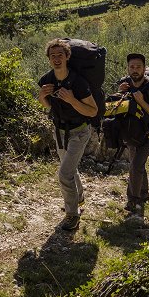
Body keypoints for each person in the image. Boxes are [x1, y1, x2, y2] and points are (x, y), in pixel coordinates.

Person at [38, 38, 98, 231]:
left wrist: (72, 100)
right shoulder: (47, 80)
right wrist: (41, 98)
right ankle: (78, 199)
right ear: (49, 59)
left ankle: (72, 215)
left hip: (79, 132)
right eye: (53, 56)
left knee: (64, 174)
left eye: (60, 55)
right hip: (59, 131)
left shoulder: (78, 82)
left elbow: (92, 111)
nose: (56, 59)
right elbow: (50, 106)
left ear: (67, 57)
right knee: (69, 169)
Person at [117, 53, 149, 217]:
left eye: (138, 67)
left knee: (135, 166)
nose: (135, 70)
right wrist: (120, 93)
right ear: (128, 68)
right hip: (132, 131)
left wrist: (142, 101)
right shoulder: (126, 84)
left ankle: (133, 201)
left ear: (144, 68)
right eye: (132, 67)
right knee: (137, 164)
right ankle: (144, 195)